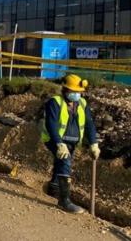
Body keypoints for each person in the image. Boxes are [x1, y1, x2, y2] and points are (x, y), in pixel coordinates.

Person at [41, 74, 100, 214]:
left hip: (73, 142)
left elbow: (89, 124)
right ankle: (64, 200)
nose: (76, 94)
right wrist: (59, 144)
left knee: (62, 162)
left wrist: (94, 143)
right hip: (54, 140)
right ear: (65, 90)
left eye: (78, 92)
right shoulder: (55, 102)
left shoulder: (83, 104)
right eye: (73, 92)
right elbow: (51, 125)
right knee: (65, 161)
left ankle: (54, 187)